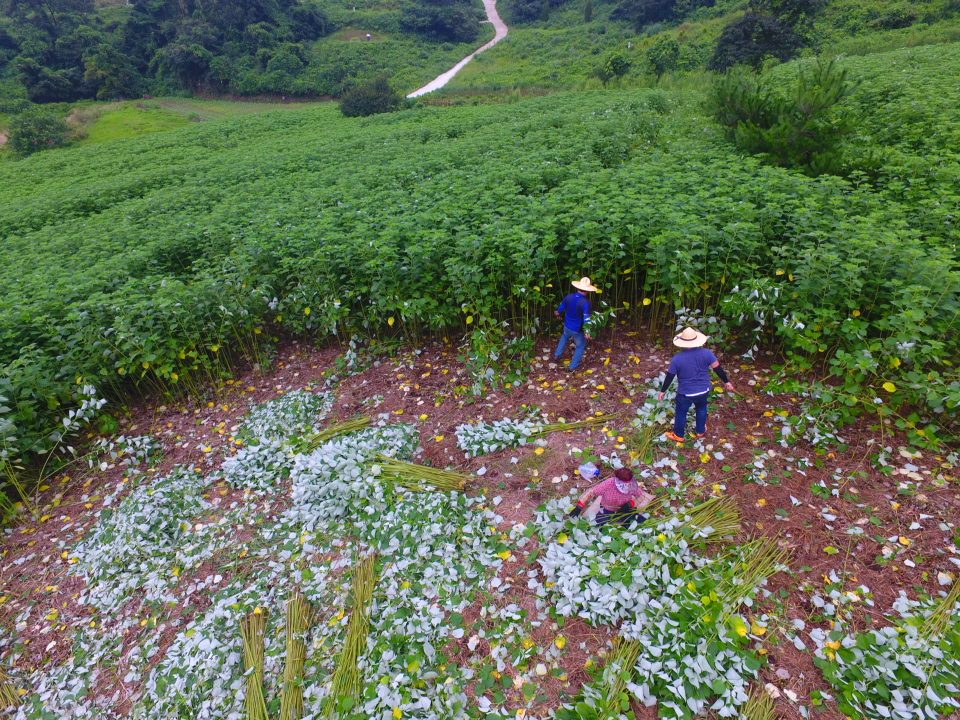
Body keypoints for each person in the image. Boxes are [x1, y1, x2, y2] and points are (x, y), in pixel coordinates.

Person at [658, 327, 734, 444]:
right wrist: (726, 381)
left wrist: (663, 391)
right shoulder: (707, 353)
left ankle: (678, 435)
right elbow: (717, 369)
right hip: (703, 390)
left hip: (685, 393)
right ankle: (700, 431)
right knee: (702, 408)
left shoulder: (677, 359)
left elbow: (670, 376)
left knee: (681, 413)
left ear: (682, 343)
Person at [569, 467, 654, 526]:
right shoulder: (608, 484)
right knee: (598, 526)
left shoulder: (631, 485)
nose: (626, 485)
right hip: (607, 509)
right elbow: (592, 493)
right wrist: (579, 506)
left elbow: (641, 496)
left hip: (624, 509)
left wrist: (631, 504)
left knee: (635, 522)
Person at [554, 276, 598, 372]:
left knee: (564, 337)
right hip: (577, 329)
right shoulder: (586, 303)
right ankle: (573, 366)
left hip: (567, 325)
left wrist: (558, 312)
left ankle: (557, 355)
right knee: (580, 346)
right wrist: (587, 332)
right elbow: (587, 318)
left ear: (578, 287)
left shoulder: (569, 296)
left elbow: (562, 307)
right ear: (587, 290)